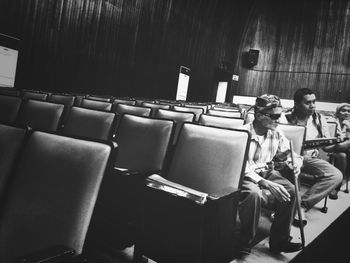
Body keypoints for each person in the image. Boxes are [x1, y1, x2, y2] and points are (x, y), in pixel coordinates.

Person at [238, 94, 303, 257]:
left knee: (291, 191)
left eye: (280, 115)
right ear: (259, 115)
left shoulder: (276, 133)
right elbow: (241, 166)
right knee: (254, 194)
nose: (279, 119)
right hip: (243, 174)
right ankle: (245, 241)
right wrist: (264, 183)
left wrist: (297, 162)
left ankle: (279, 241)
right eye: (274, 116)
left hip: (265, 171)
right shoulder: (241, 133)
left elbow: (291, 154)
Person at [284, 88, 342, 222]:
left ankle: (302, 205)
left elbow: (327, 147)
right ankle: (289, 210)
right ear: (297, 104)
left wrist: (340, 144)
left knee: (336, 175)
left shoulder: (319, 118)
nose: (313, 106)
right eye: (308, 103)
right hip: (289, 157)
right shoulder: (285, 117)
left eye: (314, 102)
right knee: (294, 177)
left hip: (310, 158)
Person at [331, 103, 350, 195]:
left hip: (346, 150)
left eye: (349, 111)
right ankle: (337, 186)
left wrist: (348, 128)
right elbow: (337, 145)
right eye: (344, 110)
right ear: (337, 113)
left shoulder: (349, 124)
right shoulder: (332, 123)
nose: (347, 113)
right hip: (333, 150)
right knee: (341, 155)